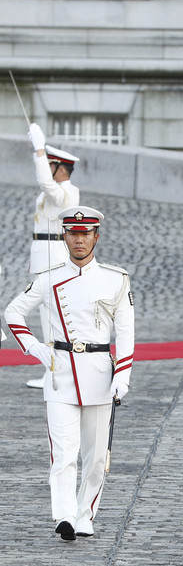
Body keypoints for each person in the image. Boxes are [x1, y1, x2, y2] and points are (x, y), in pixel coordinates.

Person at [4, 206, 134, 541]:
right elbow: (14, 312)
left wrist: (123, 377)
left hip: (100, 373)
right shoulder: (48, 279)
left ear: (96, 237)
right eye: (73, 233)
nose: (79, 239)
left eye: (85, 233)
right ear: (64, 236)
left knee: (95, 456)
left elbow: (126, 332)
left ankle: (85, 514)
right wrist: (34, 347)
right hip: (60, 373)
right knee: (63, 453)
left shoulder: (115, 279)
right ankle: (63, 516)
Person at [25, 122, 81, 389]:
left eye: (50, 165)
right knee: (48, 316)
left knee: (51, 317)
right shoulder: (60, 190)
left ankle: (55, 371)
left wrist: (38, 148)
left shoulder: (64, 192)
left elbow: (45, 183)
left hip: (52, 257)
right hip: (45, 255)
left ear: (60, 169)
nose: (46, 170)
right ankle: (53, 369)